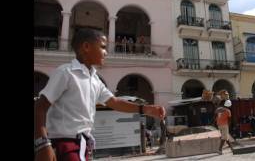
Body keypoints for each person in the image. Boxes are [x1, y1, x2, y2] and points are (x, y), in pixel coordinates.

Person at [34, 28, 166, 161]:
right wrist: (43, 144)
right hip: (64, 144)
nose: (106, 52)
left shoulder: (95, 79)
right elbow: (40, 107)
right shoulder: (66, 73)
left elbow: (114, 102)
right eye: (103, 47)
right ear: (86, 47)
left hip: (82, 143)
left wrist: (146, 109)